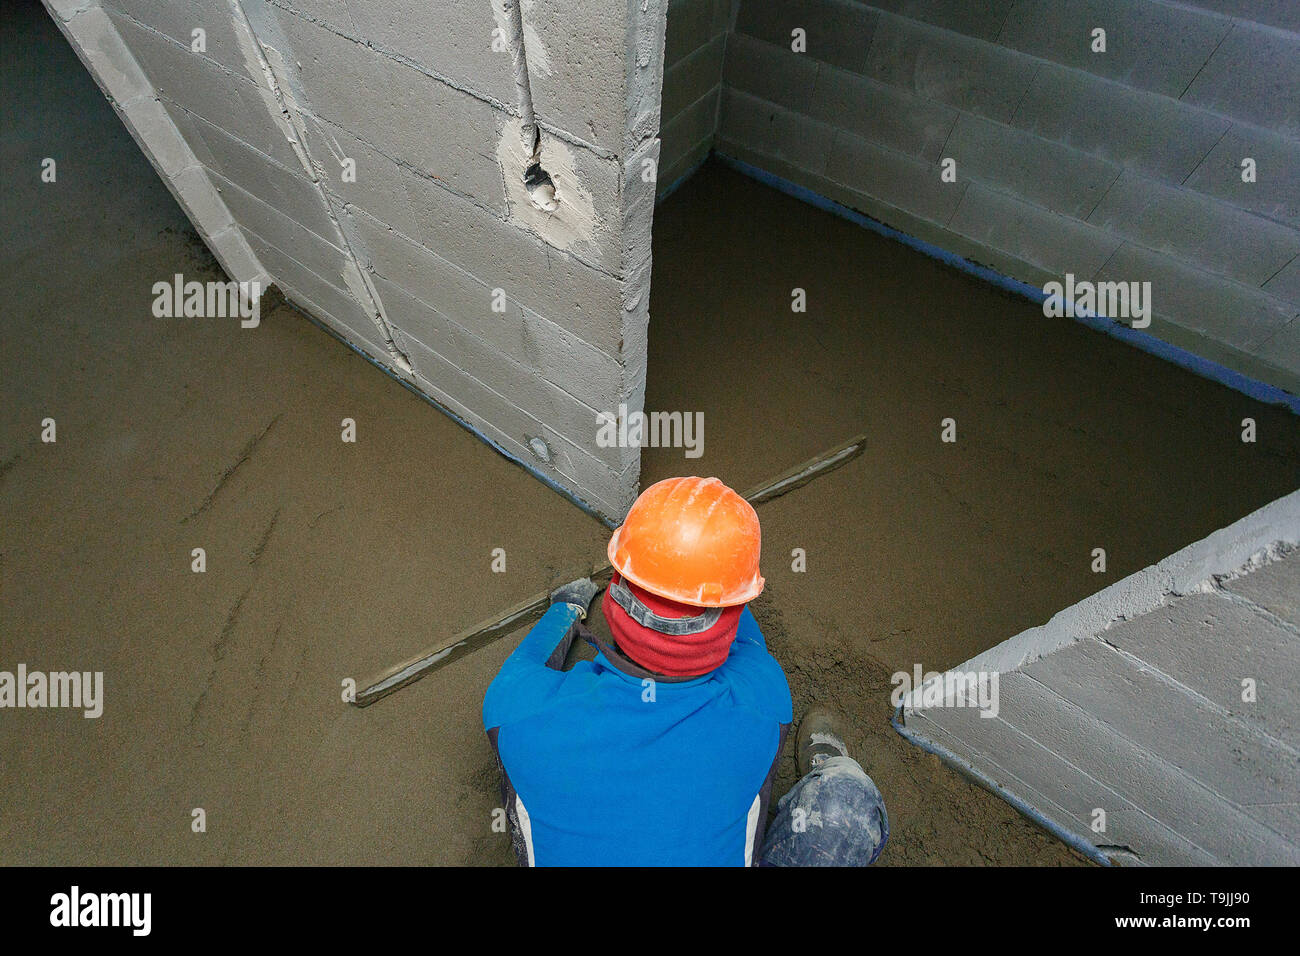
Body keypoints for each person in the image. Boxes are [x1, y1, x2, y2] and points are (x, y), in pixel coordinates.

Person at [482, 476, 888, 866]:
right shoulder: (761, 700)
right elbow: (741, 642)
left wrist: (568, 606)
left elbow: (529, 659)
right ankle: (826, 769)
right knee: (846, 802)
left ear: (613, 596)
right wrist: (715, 585)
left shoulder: (518, 710)